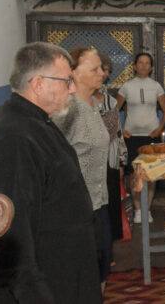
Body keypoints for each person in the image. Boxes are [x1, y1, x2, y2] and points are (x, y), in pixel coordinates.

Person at [0, 42, 101, 303]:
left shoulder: (36, 123)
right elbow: (15, 236)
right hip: (46, 283)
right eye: (67, 80)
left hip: (63, 272)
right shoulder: (15, 138)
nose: (72, 88)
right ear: (38, 84)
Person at [53, 47, 111, 291]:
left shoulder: (94, 103)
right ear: (73, 73)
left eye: (101, 68)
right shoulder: (68, 110)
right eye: (95, 69)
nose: (102, 73)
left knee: (101, 266)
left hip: (99, 203)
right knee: (83, 276)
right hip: (76, 209)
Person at [116, 53, 165, 224]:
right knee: (135, 175)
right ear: (134, 65)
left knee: (151, 174)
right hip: (133, 137)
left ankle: (147, 210)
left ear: (151, 68)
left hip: (151, 137)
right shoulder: (126, 86)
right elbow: (113, 111)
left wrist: (160, 128)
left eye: (147, 63)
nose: (144, 66)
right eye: (141, 63)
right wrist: (121, 129)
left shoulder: (156, 86)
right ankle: (138, 210)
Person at [93, 53, 125, 262]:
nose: (104, 74)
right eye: (100, 69)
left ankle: (108, 249)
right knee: (96, 207)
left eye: (106, 70)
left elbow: (118, 130)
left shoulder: (108, 98)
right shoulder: (80, 100)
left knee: (111, 203)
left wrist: (122, 158)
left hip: (111, 157)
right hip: (92, 161)